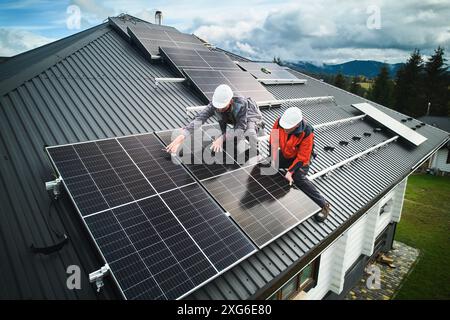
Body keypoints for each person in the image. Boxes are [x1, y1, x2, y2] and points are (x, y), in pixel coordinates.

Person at [269, 107, 330, 222]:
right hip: (287, 154)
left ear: (296, 125)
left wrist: (290, 172)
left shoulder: (307, 132)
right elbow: (273, 142)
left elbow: (303, 157)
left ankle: (323, 205)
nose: (285, 129)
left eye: (288, 128)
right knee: (268, 163)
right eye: (284, 127)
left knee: (298, 178)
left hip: (302, 160)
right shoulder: (280, 122)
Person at [166, 84, 262, 156]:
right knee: (229, 133)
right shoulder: (214, 105)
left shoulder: (241, 104)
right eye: (217, 107)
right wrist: (182, 136)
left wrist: (222, 138)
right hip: (232, 116)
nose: (219, 109)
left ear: (230, 101)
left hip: (250, 115)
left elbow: (240, 128)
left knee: (249, 131)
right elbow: (200, 119)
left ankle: (255, 148)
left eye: (222, 106)